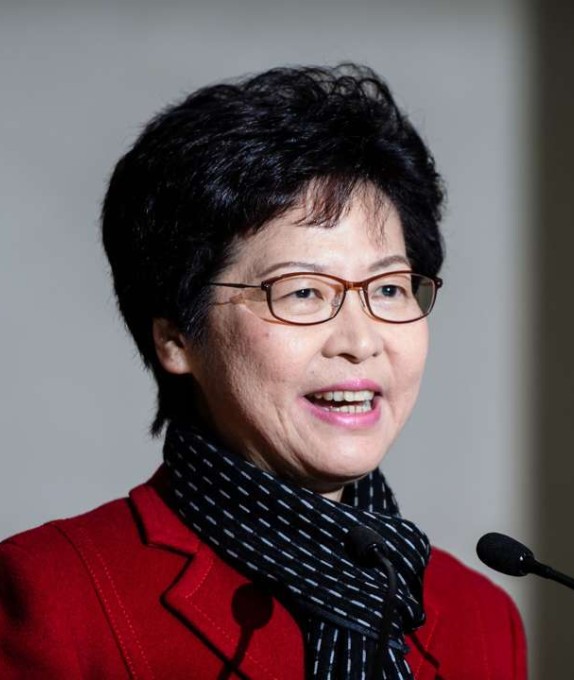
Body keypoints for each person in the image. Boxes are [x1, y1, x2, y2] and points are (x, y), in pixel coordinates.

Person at [0, 64, 526, 679]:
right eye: (301, 292)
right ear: (176, 339)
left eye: (387, 289)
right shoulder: (54, 598)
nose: (361, 340)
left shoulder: (480, 618)